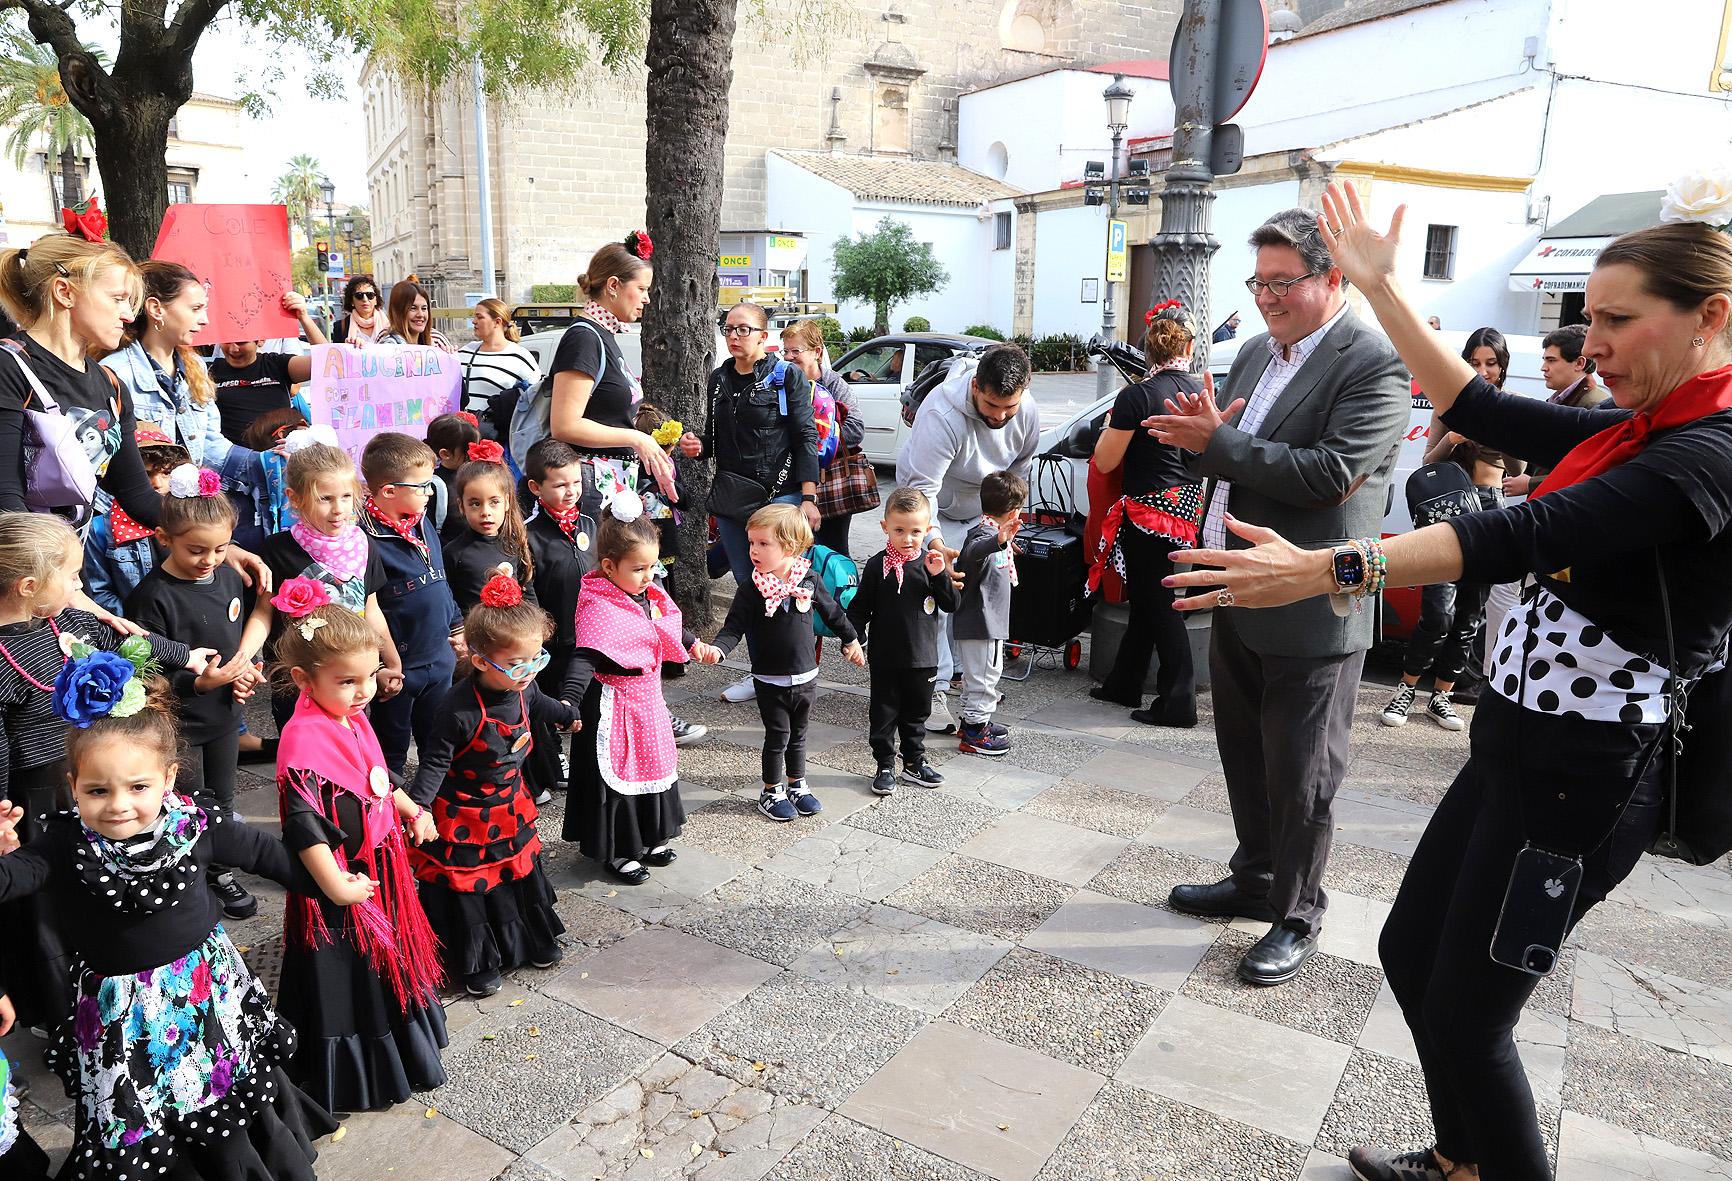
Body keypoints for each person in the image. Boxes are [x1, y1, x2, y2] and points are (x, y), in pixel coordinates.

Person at [1165, 179, 1732, 1181]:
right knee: (1408, 950)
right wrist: (1383, 291)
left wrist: (1326, 565)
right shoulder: (1629, 428)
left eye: (1616, 320)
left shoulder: (1706, 451)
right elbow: (1473, 405)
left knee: (1474, 1020)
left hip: (1588, 772)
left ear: (1710, 318)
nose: (1590, 344)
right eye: (1585, 319)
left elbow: (1521, 531)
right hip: (1516, 745)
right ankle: (1459, 1158)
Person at [1146, 206, 1408, 988]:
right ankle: (1256, 873)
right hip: (1240, 583)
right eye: (1256, 282)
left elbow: (1331, 474)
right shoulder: (1258, 352)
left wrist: (1216, 445)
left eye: (1281, 282)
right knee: (1246, 751)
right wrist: (1200, 446)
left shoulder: (1373, 363)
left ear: (1333, 277)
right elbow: (1234, 457)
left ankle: (1296, 912)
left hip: (1314, 597)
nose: (1265, 297)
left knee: (1303, 771)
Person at [0, 664, 346, 1181]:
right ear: (73, 785)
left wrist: (335, 884)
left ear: (166, 776)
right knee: (134, 1111)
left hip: (203, 993)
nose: (119, 806)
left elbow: (266, 856)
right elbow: (13, 878)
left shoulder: (197, 826)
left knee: (221, 1090)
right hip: (119, 1013)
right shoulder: (60, 841)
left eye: (138, 786)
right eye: (97, 791)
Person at [0, 512, 199, 1033]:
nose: (80, 585)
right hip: (38, 795)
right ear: (29, 587)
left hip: (93, 781)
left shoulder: (71, 623)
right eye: (70, 575)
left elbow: (135, 645)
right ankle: (59, 1004)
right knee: (50, 899)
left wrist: (189, 657)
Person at [272, 602, 448, 1113]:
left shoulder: (349, 717)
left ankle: (403, 1036)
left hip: (381, 865)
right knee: (351, 966)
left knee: (389, 956)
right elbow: (304, 826)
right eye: (347, 680)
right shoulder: (303, 738)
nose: (364, 690)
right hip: (343, 879)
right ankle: (359, 1064)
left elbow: (376, 775)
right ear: (304, 679)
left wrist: (413, 807)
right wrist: (335, 885)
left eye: (370, 675)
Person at [408, 575, 578, 997]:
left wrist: (567, 712)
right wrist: (417, 808)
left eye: (537, 658)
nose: (530, 671)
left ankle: (531, 941)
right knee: (473, 886)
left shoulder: (525, 686)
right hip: (463, 815)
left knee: (515, 873)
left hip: (508, 805)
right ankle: (478, 961)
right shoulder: (457, 709)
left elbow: (542, 705)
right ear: (482, 660)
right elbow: (433, 762)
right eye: (519, 663)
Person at [124, 466, 273, 921]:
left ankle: (221, 871)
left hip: (225, 716)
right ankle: (188, 875)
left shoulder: (229, 578)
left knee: (224, 800)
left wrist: (245, 670)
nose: (210, 559)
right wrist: (200, 681)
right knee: (186, 804)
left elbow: (236, 644)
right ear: (164, 539)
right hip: (179, 724)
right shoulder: (151, 597)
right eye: (196, 550)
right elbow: (145, 672)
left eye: (221, 548)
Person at [560, 492, 717, 884]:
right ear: (610, 566)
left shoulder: (648, 593)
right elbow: (585, 657)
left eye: (652, 566)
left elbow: (668, 625)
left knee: (655, 764)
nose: (649, 575)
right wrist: (568, 700)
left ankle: (652, 837)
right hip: (612, 701)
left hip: (647, 698)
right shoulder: (599, 603)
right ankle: (617, 849)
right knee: (616, 776)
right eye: (639, 568)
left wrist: (693, 642)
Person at [1383, 328, 1523, 728]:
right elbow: (1429, 456)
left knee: (1470, 615)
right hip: (1449, 511)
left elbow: (1519, 471)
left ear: (1502, 366)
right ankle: (1406, 690)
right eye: (1475, 363)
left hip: (1492, 511)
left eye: (1491, 363)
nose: (1483, 371)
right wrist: (1455, 438)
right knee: (1437, 612)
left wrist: (1502, 431)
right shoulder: (1450, 405)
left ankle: (1441, 694)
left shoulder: (1510, 407)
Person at [896, 342, 1039, 733]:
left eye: (1009, 408)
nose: (1001, 417)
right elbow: (923, 490)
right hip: (929, 509)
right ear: (976, 386)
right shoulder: (941, 414)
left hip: (982, 512)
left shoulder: (1025, 412)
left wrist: (1006, 521)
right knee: (936, 601)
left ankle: (966, 676)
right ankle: (934, 689)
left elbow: (1019, 470)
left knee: (974, 599)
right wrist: (936, 543)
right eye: (993, 406)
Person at [685, 302, 821, 705]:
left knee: (789, 587)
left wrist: (809, 496)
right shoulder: (717, 379)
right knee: (751, 590)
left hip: (779, 498)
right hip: (733, 499)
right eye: (729, 328)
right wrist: (698, 446)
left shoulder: (786, 376)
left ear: (765, 337)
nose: (734, 336)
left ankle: (795, 669)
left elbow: (804, 436)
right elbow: (713, 437)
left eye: (744, 329)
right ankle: (760, 672)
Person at [0, 223, 165, 533]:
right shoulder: (8, 367)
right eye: (118, 299)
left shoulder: (111, 385)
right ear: (65, 292)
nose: (128, 316)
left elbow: (139, 496)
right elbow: (6, 502)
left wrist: (216, 539)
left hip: (70, 566)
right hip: (22, 567)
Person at [1088, 302, 1207, 727]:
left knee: (1156, 602)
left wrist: (1107, 427)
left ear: (1148, 350)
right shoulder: (1201, 393)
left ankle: (1179, 702)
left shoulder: (1137, 395)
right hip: (1188, 508)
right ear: (1188, 347)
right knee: (1147, 597)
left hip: (1148, 510)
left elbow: (1104, 461)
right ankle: (1125, 680)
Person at [101, 260, 270, 545]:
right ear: (156, 309)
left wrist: (266, 462)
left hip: (189, 519)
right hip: (136, 532)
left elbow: (210, 445)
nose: (204, 319)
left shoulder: (196, 369)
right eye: (195, 309)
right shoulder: (115, 374)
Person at [713, 504, 864, 821]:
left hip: (806, 677)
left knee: (799, 735)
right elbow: (732, 628)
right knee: (778, 736)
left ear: (791, 547)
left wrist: (851, 641)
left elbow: (833, 613)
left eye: (763, 543)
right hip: (770, 681)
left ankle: (797, 784)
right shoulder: (751, 590)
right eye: (751, 542)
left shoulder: (808, 579)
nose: (753, 550)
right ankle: (770, 790)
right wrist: (719, 650)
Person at [259, 432, 401, 731]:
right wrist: (245, 658)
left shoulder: (363, 545)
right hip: (300, 680)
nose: (338, 509)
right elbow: (263, 614)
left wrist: (390, 661)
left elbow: (370, 608)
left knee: (351, 749)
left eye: (346, 497)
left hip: (354, 678)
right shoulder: (277, 550)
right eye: (325, 499)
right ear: (294, 498)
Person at [536, 234, 677, 515]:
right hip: (589, 488)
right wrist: (638, 439)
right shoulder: (584, 339)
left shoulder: (602, 336)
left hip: (609, 484)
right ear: (614, 285)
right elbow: (565, 425)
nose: (647, 299)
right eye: (642, 288)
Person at [357, 432, 465, 774]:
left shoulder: (421, 522)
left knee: (438, 741)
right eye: (423, 485)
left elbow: (440, 577)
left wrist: (457, 624)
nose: (430, 492)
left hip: (439, 657)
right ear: (389, 491)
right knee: (391, 747)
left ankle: (434, 809)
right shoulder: (365, 538)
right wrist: (379, 665)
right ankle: (391, 814)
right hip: (399, 668)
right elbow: (367, 609)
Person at [846, 488, 960, 796]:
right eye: (899, 530)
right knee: (883, 713)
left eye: (915, 532)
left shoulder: (930, 565)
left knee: (916, 714)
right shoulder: (875, 566)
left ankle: (914, 761)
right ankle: (884, 764)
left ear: (926, 530)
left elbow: (952, 604)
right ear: (885, 527)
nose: (907, 538)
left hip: (923, 658)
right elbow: (859, 608)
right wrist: (854, 638)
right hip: (885, 658)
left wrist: (939, 577)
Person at [522, 439, 598, 792]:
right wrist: (540, 635)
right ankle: (551, 757)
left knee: (586, 696)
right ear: (536, 487)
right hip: (555, 635)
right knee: (550, 699)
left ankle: (586, 751)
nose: (571, 492)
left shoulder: (588, 523)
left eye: (576, 483)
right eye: (560, 485)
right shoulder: (529, 534)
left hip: (591, 634)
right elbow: (530, 589)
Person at [954, 471, 1026, 755]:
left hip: (985, 621)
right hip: (981, 622)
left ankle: (971, 721)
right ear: (1013, 512)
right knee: (985, 677)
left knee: (976, 677)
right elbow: (971, 553)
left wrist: (1004, 543)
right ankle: (975, 731)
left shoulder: (990, 533)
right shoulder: (984, 536)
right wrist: (999, 541)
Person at [781, 318, 868, 553]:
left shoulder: (834, 384)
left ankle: (841, 589)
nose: (789, 357)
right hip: (788, 481)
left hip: (829, 483)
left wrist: (815, 438)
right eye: (785, 351)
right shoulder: (781, 384)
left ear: (816, 352)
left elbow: (856, 429)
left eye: (795, 351)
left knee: (832, 550)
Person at [82, 425, 186, 615]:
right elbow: (100, 592)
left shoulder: (189, 520)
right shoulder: (100, 530)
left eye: (166, 472)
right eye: (146, 475)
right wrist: (143, 620)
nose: (158, 484)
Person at [1502, 323, 1610, 498]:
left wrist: (1531, 483)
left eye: (1551, 360)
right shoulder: (1559, 401)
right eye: (1544, 360)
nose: (1543, 367)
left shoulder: (1596, 405)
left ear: (1579, 363)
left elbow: (1593, 471)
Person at [208, 294, 326, 446]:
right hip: (232, 463)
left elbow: (326, 360)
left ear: (260, 340)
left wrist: (304, 317)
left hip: (278, 459)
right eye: (226, 341)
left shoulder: (276, 364)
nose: (233, 349)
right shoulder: (209, 372)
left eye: (241, 342)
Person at [458, 298, 539, 435]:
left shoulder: (519, 356)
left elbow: (535, 398)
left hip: (494, 438)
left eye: (479, 317)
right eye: (474, 316)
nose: (474, 321)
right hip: (461, 434)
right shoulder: (465, 351)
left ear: (497, 322)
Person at [375, 280, 454, 352]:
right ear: (398, 312)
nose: (420, 314)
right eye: (413, 308)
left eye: (424, 308)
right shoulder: (388, 345)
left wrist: (449, 354)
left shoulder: (437, 339)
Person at [329, 275, 387, 347]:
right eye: (359, 295)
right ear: (352, 301)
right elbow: (337, 354)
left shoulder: (389, 325)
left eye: (370, 295)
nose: (365, 299)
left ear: (376, 300)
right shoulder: (340, 327)